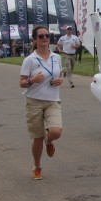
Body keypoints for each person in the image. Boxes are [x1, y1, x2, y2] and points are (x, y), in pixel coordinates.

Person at [19, 25, 64, 180]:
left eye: (47, 36)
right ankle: (37, 166)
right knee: (37, 137)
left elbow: (60, 74)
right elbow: (22, 82)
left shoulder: (56, 57)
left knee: (56, 131)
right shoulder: (30, 60)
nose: (45, 38)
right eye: (41, 36)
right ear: (34, 39)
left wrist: (60, 80)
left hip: (53, 100)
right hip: (34, 101)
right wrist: (32, 79)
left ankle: (49, 140)